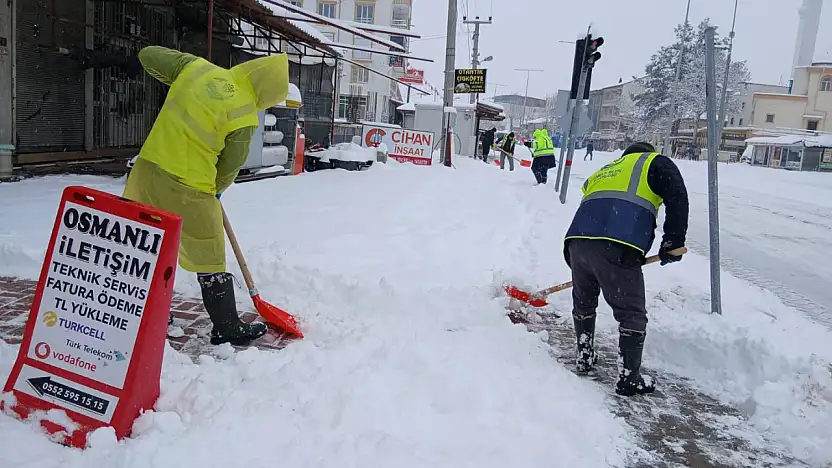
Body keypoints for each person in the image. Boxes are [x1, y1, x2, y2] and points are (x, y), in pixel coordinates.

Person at [122, 46, 289, 346]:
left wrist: (180, 76)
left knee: (145, 244)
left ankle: (142, 312)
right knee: (209, 252)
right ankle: (226, 327)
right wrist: (216, 193)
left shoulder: (195, 68)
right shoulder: (245, 113)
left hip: (145, 174)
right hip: (189, 185)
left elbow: (147, 56)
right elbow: (229, 168)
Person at [562, 142, 689, 396]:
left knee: (584, 302)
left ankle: (584, 356)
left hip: (577, 241)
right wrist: (673, 239)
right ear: (647, 152)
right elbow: (677, 195)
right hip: (617, 242)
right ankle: (629, 378)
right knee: (630, 312)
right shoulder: (654, 162)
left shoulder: (606, 169)